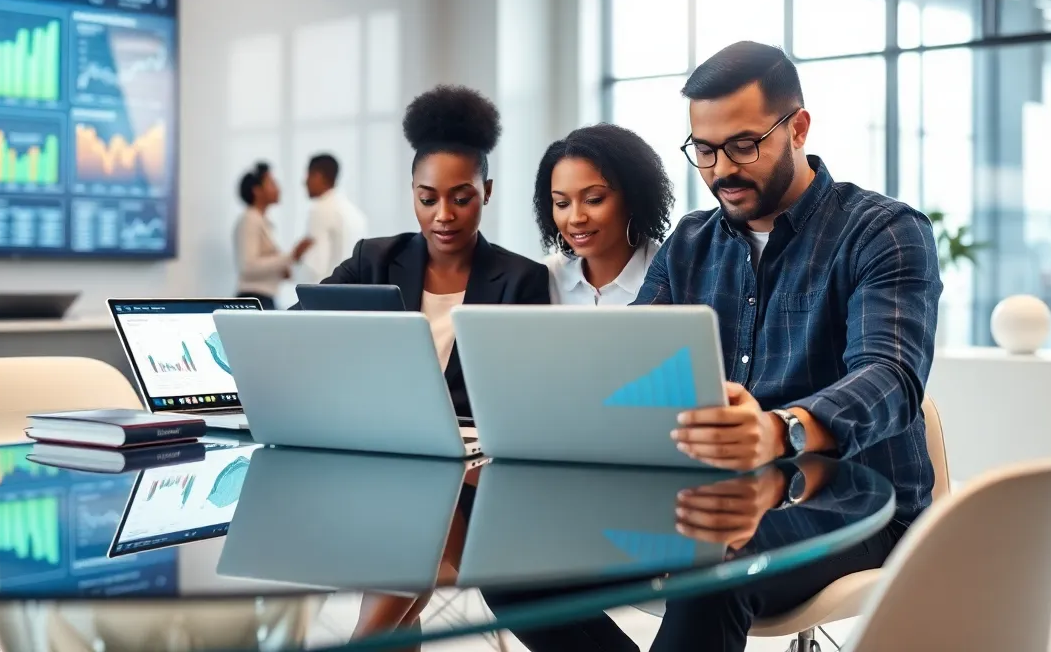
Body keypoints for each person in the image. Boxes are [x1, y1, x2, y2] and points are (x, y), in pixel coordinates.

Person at [498, 41, 942, 652]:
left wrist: (779, 430)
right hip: (708, 493)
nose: (720, 170)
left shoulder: (884, 231)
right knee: (510, 552)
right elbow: (623, 360)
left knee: (715, 561)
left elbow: (892, 374)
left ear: (799, 128)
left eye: (742, 145)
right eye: (703, 150)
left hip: (858, 504)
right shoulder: (690, 243)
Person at [314, 85, 550, 415]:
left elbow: (531, 392)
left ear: (487, 192)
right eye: (427, 200)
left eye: (461, 198)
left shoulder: (522, 280)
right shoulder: (372, 261)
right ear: (413, 192)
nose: (443, 215)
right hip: (377, 434)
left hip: (474, 446)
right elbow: (300, 326)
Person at [535, 124, 675, 306]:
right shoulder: (543, 278)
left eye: (594, 200)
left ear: (633, 197)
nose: (576, 218)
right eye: (562, 204)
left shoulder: (670, 279)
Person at [233, 162, 312, 310]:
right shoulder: (250, 219)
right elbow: (248, 266)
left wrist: (283, 268)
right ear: (257, 190)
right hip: (253, 299)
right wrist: (290, 257)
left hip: (264, 298)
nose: (278, 188)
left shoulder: (262, 221)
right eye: (271, 183)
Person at [299, 153, 368, 282]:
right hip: (352, 292)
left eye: (308, 175)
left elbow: (316, 266)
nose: (304, 182)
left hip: (327, 293)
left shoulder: (320, 209)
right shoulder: (354, 213)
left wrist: (295, 262)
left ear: (318, 176)